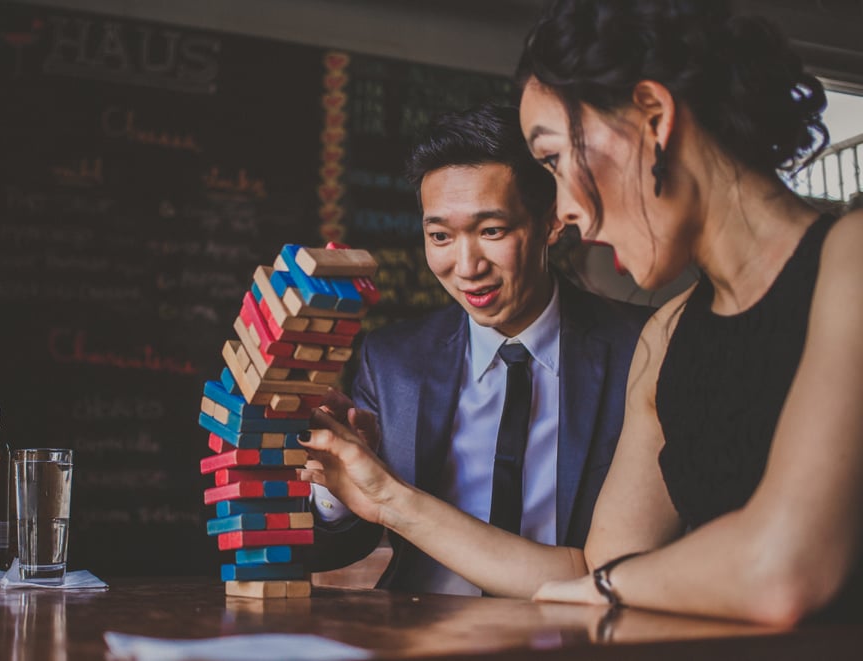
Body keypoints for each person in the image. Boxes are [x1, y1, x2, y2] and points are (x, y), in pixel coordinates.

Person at [298, 0, 863, 624]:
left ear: (655, 117)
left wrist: (609, 585)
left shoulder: (852, 253)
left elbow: (780, 570)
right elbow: (597, 570)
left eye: (557, 161)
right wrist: (384, 498)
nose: (566, 210)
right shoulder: (666, 337)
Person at [309, 103, 651, 595]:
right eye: (440, 236)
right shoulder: (390, 362)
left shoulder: (640, 349)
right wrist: (334, 490)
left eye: (491, 231)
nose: (466, 266)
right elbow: (338, 548)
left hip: (573, 627)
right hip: (421, 634)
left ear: (551, 222)